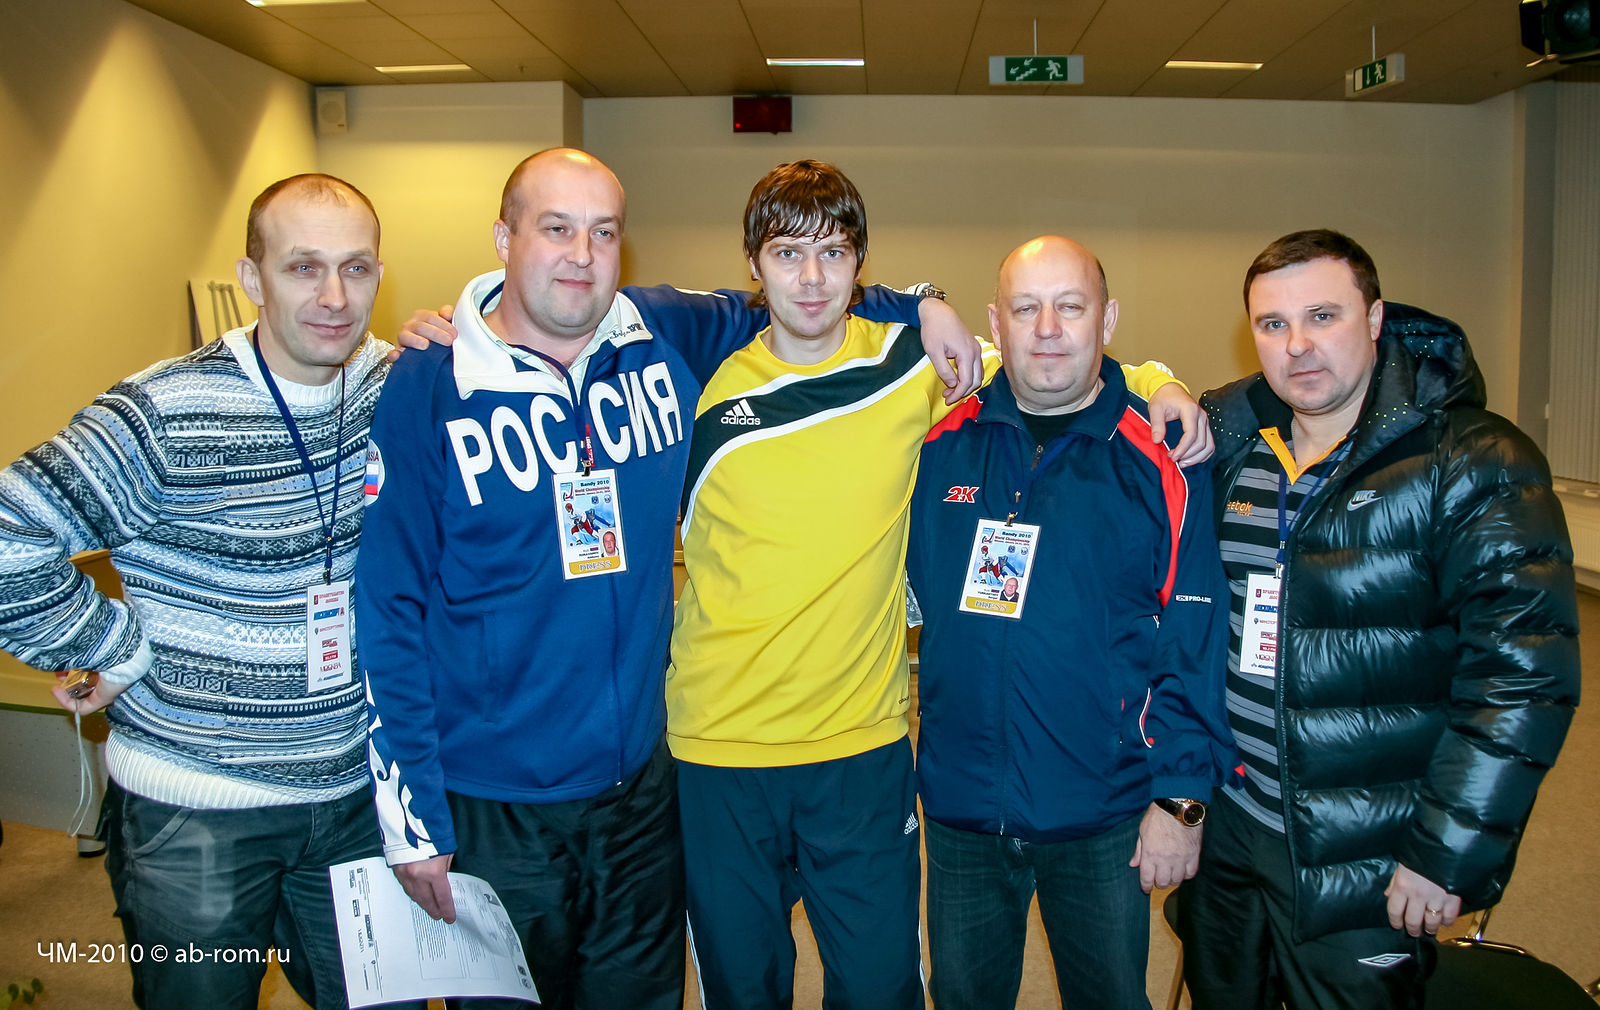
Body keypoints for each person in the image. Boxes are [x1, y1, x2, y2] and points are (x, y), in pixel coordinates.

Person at [356, 148, 978, 1010]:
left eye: (603, 232)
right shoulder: (434, 379)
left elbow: (1026, 358)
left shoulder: (663, 339)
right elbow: (387, 606)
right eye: (556, 229)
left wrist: (926, 301)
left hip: (648, 787)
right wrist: (414, 819)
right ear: (503, 239)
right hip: (510, 794)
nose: (581, 255)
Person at [666, 166, 1211, 1010]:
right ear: (753, 263)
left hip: (862, 746)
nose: (811, 278)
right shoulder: (698, 380)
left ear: (860, 263)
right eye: (786, 254)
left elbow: (1053, 359)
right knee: (743, 990)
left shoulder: (915, 366)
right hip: (716, 748)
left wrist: (1159, 379)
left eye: (834, 253)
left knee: (882, 991)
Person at [0, 174, 421, 1010]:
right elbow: (10, 534)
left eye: (356, 268)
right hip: (196, 805)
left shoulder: (398, 386)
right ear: (252, 278)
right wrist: (112, 648)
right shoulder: (165, 408)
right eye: (303, 268)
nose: (335, 297)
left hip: (354, 794)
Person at [1176, 229, 1581, 1009]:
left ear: (1374, 318)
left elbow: (1522, 680)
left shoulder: (1472, 459)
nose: (1297, 346)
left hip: (1368, 848)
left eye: (1322, 316)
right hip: (1233, 824)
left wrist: (1445, 851)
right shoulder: (1235, 449)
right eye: (1272, 324)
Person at [905, 236, 1233, 1010]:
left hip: (1105, 815)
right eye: (1026, 308)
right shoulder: (937, 445)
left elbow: (1194, 637)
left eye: (1071, 307)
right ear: (996, 326)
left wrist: (1182, 797)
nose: (1048, 328)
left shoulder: (1163, 456)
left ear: (1107, 320)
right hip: (961, 809)